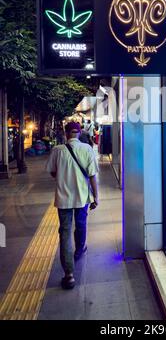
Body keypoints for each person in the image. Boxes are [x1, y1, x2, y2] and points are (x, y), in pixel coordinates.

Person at [46, 121, 99, 290]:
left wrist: (64, 176)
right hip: (82, 197)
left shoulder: (57, 151)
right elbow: (92, 176)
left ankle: (68, 275)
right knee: (81, 225)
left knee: (65, 232)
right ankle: (79, 250)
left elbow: (53, 172)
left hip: (63, 199)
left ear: (65, 132)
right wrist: (96, 197)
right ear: (79, 132)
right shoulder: (87, 149)